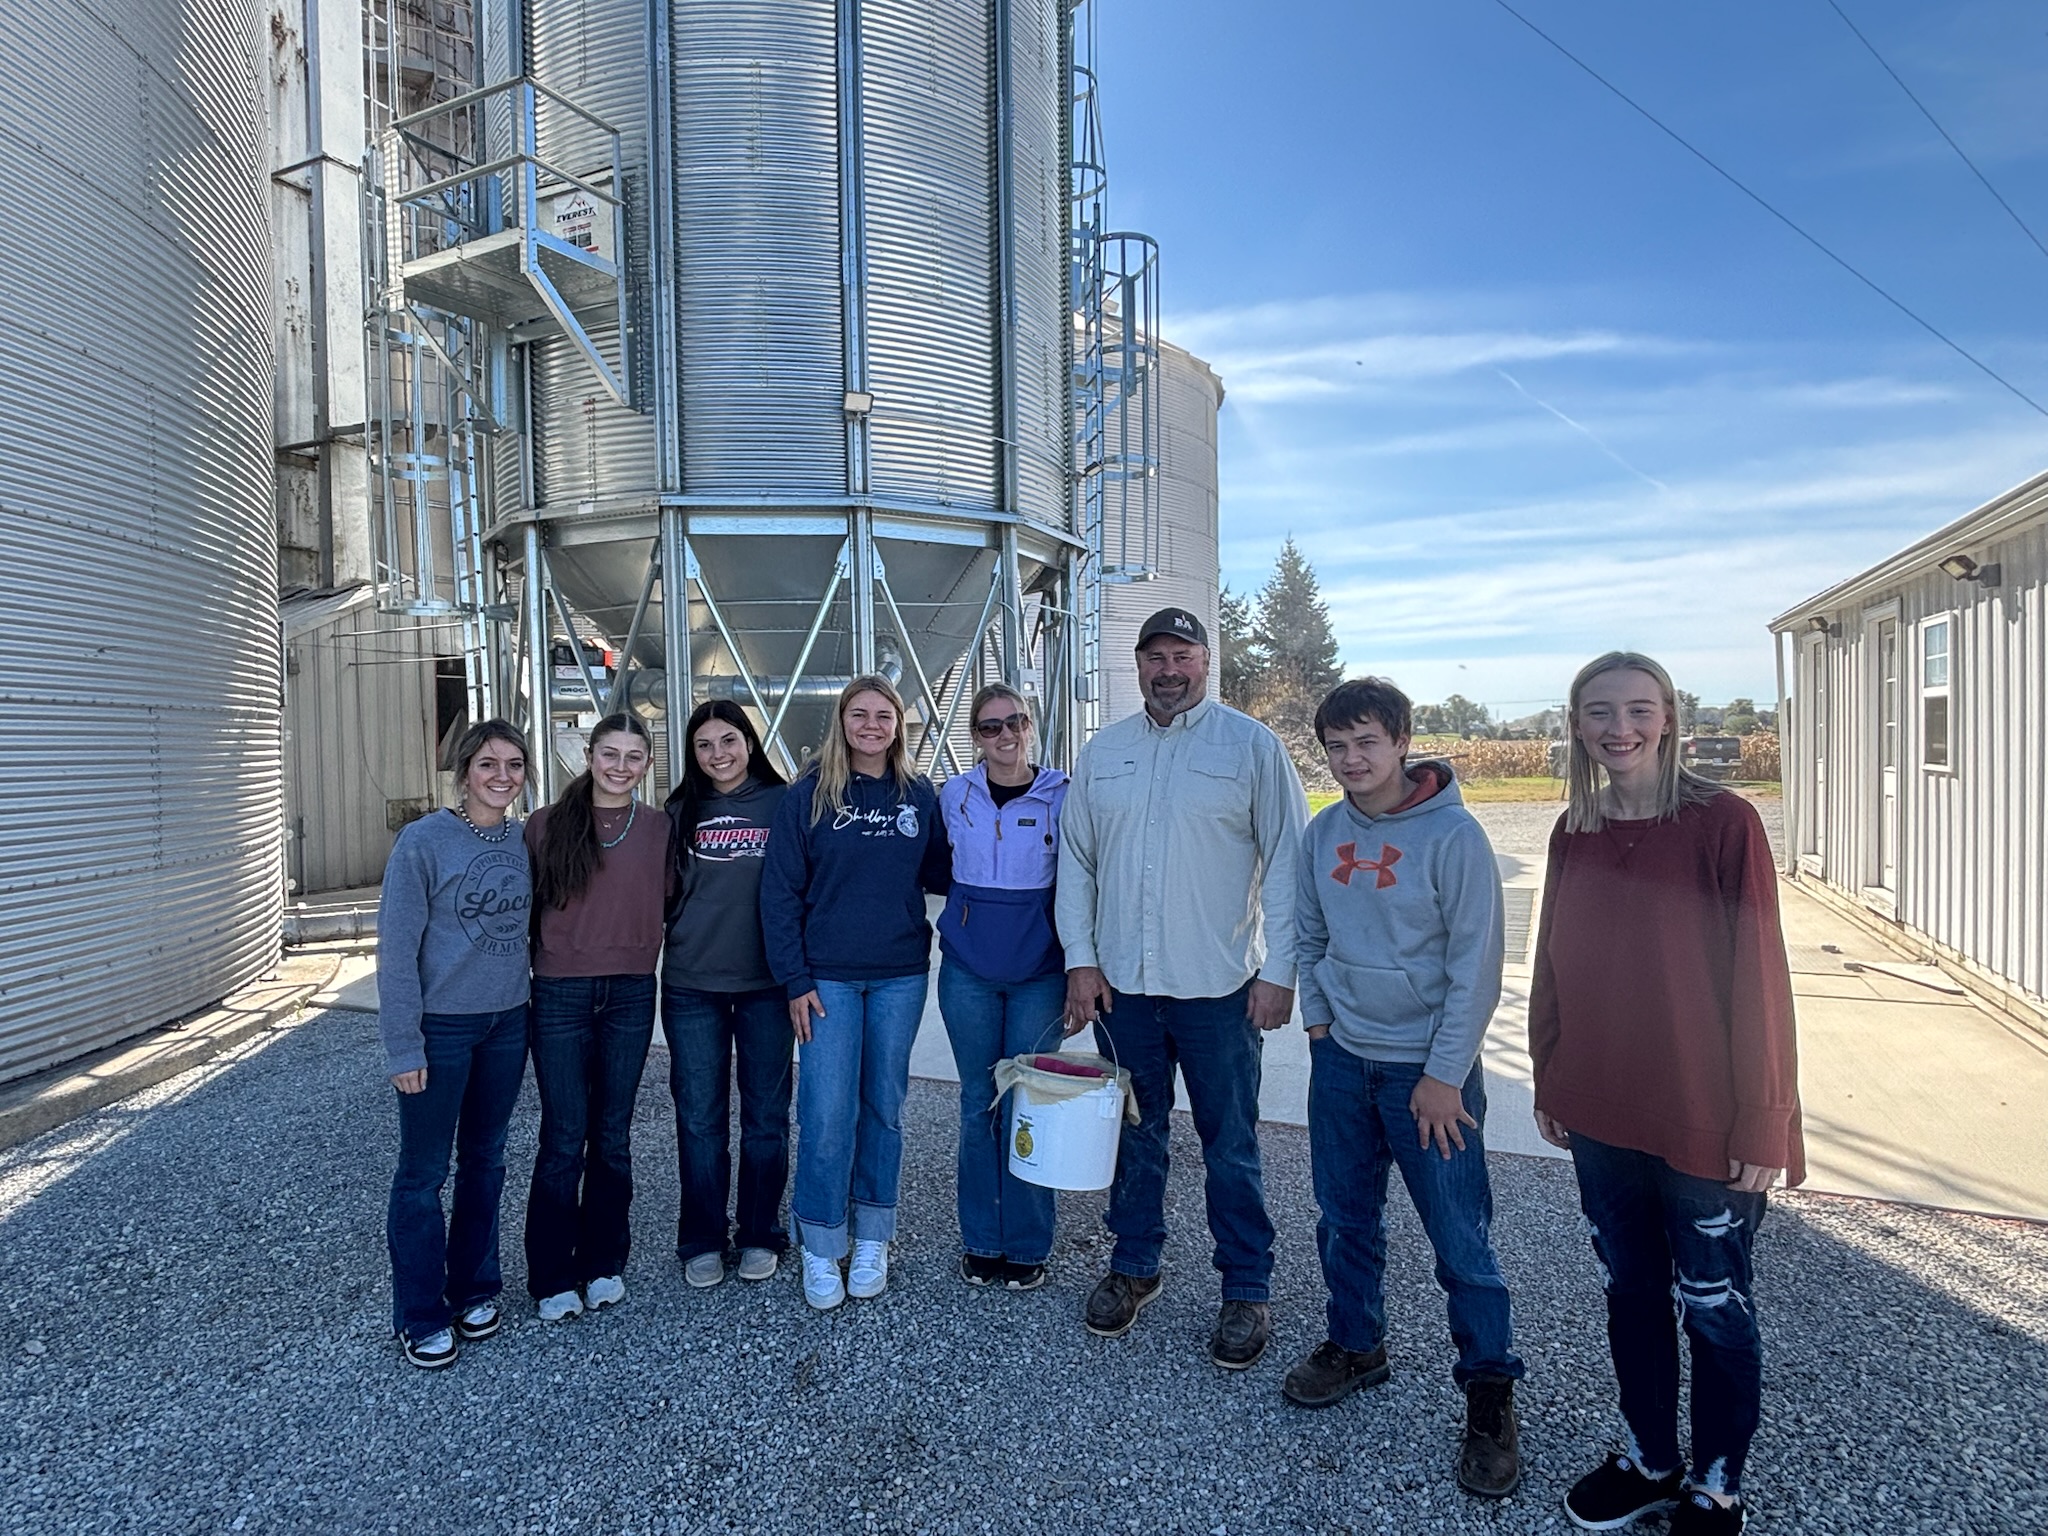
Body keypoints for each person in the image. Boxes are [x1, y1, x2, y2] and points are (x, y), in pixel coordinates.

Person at [1529, 652, 1803, 1536]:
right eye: (1598, 712)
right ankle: (1652, 1460)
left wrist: (1766, 1118)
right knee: (1631, 1291)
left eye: (1637, 709)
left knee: (1714, 1305)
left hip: (1703, 1114)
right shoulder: (1574, 829)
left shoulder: (1724, 824)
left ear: (1669, 717)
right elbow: (1552, 960)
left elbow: (1761, 975)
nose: (1619, 728)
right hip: (1602, 1109)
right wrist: (1549, 1069)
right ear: (1574, 724)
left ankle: (1718, 1483)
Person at [1284, 677, 1523, 1498]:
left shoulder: (1454, 839)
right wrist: (1318, 1024)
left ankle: (1489, 1391)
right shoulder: (1323, 834)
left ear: (1401, 741)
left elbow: (1475, 971)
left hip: (1430, 1080)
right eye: (1337, 747)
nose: (1352, 760)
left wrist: (1443, 1076)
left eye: (1367, 743)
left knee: (1461, 1243)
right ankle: (1357, 1345)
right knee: (1345, 1220)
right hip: (1343, 1061)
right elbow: (1308, 933)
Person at [1056, 606, 1308, 1368]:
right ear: (1138, 667)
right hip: (1125, 990)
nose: (1168, 670)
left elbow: (1291, 864)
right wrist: (1081, 959)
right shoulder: (1106, 754)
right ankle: (1135, 1266)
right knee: (1137, 1134)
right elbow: (1077, 863)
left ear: (1207, 662)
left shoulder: (1252, 748)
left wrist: (1279, 973)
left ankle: (1246, 1288)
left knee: (1230, 1145)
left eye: (1183, 655)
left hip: (1221, 988)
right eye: (1155, 657)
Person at [761, 674, 952, 1310]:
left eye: (884, 716)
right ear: (842, 721)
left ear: (900, 725)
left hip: (899, 974)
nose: (872, 725)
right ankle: (821, 1242)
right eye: (859, 714)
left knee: (884, 1109)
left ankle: (873, 1235)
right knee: (824, 1115)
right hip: (827, 981)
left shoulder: (920, 795)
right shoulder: (810, 795)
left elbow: (948, 872)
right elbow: (780, 891)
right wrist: (795, 977)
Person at [376, 719, 534, 1370]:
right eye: (488, 764)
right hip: (442, 1028)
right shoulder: (423, 842)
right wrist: (402, 1047)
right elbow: (395, 951)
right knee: (422, 1174)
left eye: (515, 765)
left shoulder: (526, 841)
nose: (502, 777)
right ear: (463, 770)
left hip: (508, 1021)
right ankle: (421, 1313)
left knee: (486, 1162)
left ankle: (474, 1289)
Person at [522, 712, 669, 1322]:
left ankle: (604, 1261)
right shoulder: (544, 827)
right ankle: (553, 1274)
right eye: (610, 754)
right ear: (588, 754)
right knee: (562, 1137)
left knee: (612, 1135)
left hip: (632, 991)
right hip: (559, 992)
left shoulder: (661, 828)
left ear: (647, 765)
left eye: (634, 757)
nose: (620, 767)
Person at [935, 684, 1071, 1291]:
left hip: (1038, 974)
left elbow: (1081, 882)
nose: (1005, 735)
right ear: (976, 736)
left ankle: (1027, 1242)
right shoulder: (953, 796)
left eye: (1015, 722)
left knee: (1027, 1103)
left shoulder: (1063, 795)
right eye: (990, 727)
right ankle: (981, 1240)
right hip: (968, 972)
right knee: (976, 1105)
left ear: (1030, 724)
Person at [661, 700, 792, 1288]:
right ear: (693, 753)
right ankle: (703, 1239)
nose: (718, 754)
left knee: (765, 1118)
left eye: (729, 740)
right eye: (705, 745)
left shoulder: (784, 803)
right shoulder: (680, 809)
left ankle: (761, 1233)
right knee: (700, 1118)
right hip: (692, 983)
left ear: (749, 741)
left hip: (766, 985)